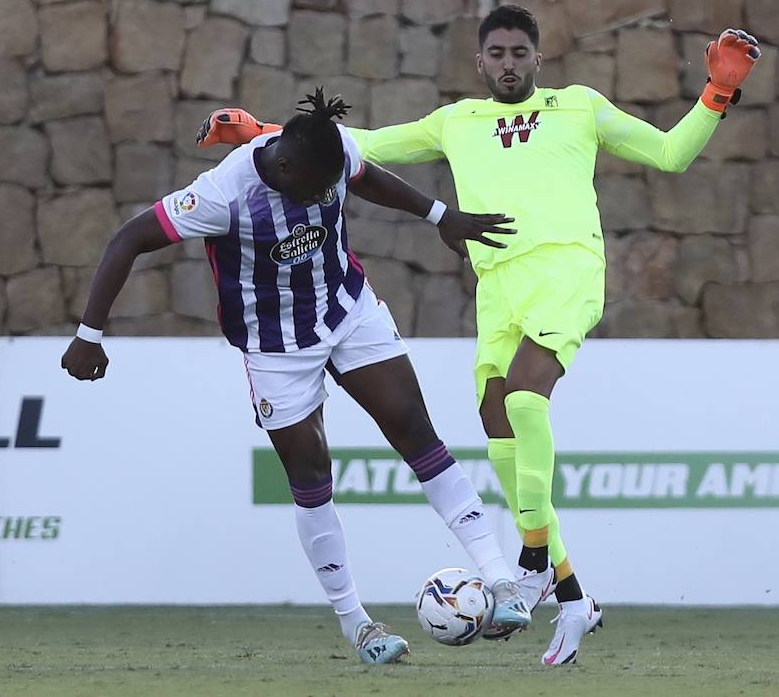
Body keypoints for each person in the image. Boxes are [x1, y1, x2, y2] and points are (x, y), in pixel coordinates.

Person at [196, 6, 761, 666]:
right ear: (481, 61)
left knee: (525, 400)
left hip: (565, 270)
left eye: (520, 52)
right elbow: (364, 146)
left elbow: (670, 153)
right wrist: (262, 131)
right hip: (497, 286)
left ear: (538, 58)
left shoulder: (579, 106)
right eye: (497, 53)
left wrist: (717, 93)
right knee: (497, 429)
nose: (509, 64)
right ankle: (571, 593)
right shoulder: (454, 120)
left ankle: (529, 563)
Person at [62, 88, 533, 664]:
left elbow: (365, 178)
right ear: (282, 165)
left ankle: (502, 583)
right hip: (274, 346)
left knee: (414, 428)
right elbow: (128, 239)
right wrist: (89, 335)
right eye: (312, 188)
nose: (319, 198)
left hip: (346, 309)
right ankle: (358, 625)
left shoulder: (328, 156)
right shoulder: (222, 195)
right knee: (310, 474)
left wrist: (440, 215)